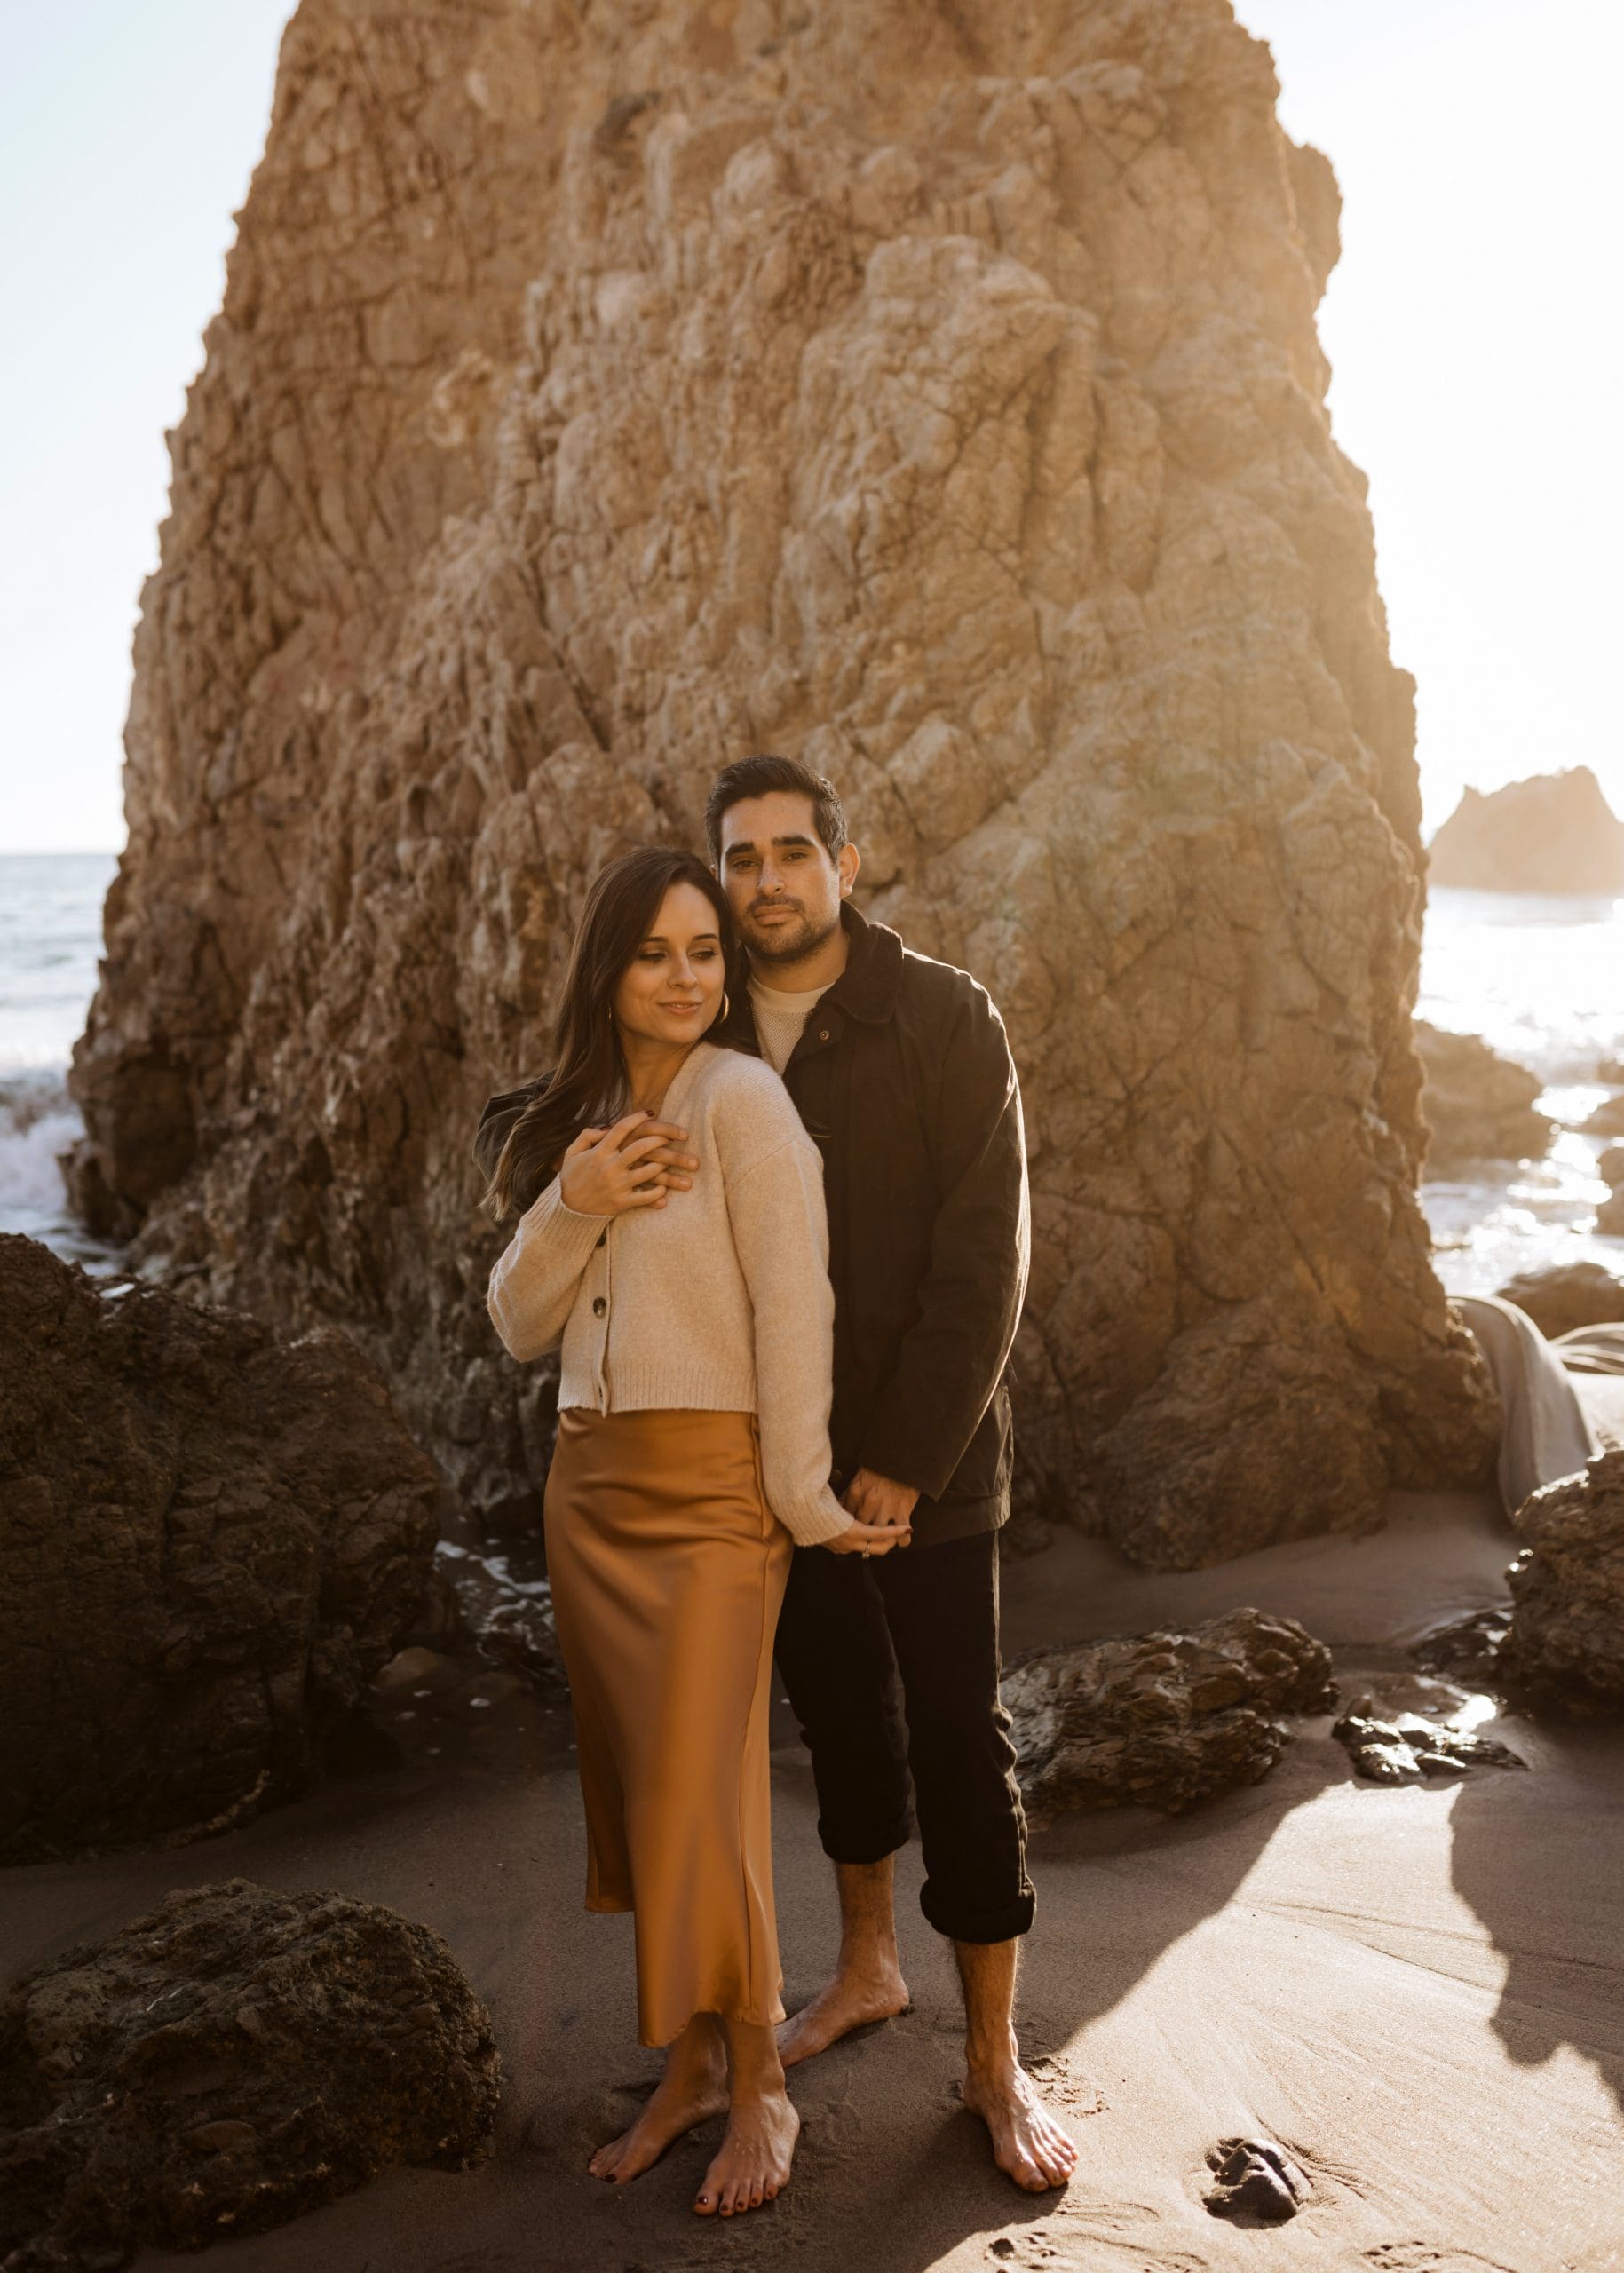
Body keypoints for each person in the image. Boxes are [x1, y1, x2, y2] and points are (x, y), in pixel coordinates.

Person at [473, 845, 902, 2220]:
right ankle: (692, 2067)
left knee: (705, 1798)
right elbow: (516, 1321)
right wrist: (571, 1202)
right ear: (608, 968)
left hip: (712, 1492)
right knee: (645, 1799)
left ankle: (759, 2082)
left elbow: (798, 1310)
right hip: (587, 1489)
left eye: (704, 951)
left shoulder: (744, 1100)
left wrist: (794, 1495)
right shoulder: (582, 1118)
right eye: (656, 952)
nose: (684, 977)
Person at [703, 754, 1080, 2194]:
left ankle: (992, 2058)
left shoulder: (941, 1015)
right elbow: (552, 1113)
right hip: (774, 1467)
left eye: (792, 852)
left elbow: (988, 1258)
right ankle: (865, 1969)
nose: (767, 882)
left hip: (929, 1472)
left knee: (955, 1742)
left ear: (844, 866)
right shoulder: (705, 1024)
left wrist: (900, 1465)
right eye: (741, 859)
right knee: (839, 1732)